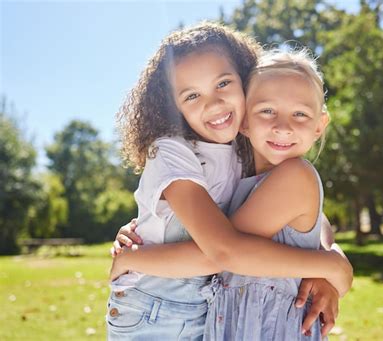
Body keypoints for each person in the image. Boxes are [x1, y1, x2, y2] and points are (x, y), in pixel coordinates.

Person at [108, 22, 352, 340]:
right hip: (159, 310)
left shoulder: (250, 156)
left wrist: (329, 265)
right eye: (192, 95)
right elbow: (223, 251)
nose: (213, 103)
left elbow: (315, 221)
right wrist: (328, 267)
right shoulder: (175, 152)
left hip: (214, 314)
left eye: (223, 83)